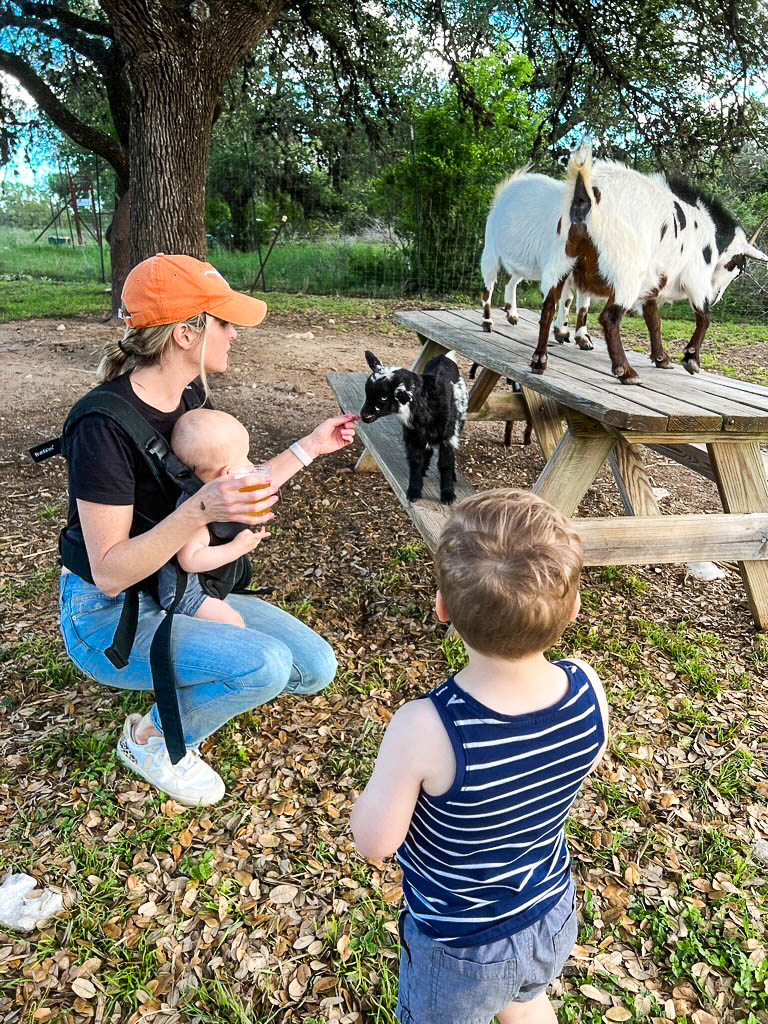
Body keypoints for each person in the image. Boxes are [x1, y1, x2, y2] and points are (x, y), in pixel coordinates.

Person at [59, 253, 358, 807]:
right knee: (266, 665)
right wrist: (198, 513)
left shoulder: (188, 399)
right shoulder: (101, 426)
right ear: (185, 333)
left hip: (184, 588)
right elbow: (107, 572)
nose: (234, 335)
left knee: (313, 667)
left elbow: (230, 480)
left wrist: (312, 446)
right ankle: (150, 739)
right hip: (108, 614)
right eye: (224, 322)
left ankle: (207, 671)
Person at [350, 489, 609, 1024]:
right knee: (527, 998)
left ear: (443, 608)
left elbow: (374, 843)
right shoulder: (587, 686)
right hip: (551, 908)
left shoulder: (426, 726)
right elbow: (578, 763)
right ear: (575, 608)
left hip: (462, 945)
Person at [156, 407, 271, 628]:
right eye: (245, 459)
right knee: (234, 623)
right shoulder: (196, 508)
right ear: (227, 473)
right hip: (184, 593)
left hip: (206, 582)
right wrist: (236, 548)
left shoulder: (208, 491)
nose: (250, 464)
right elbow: (189, 560)